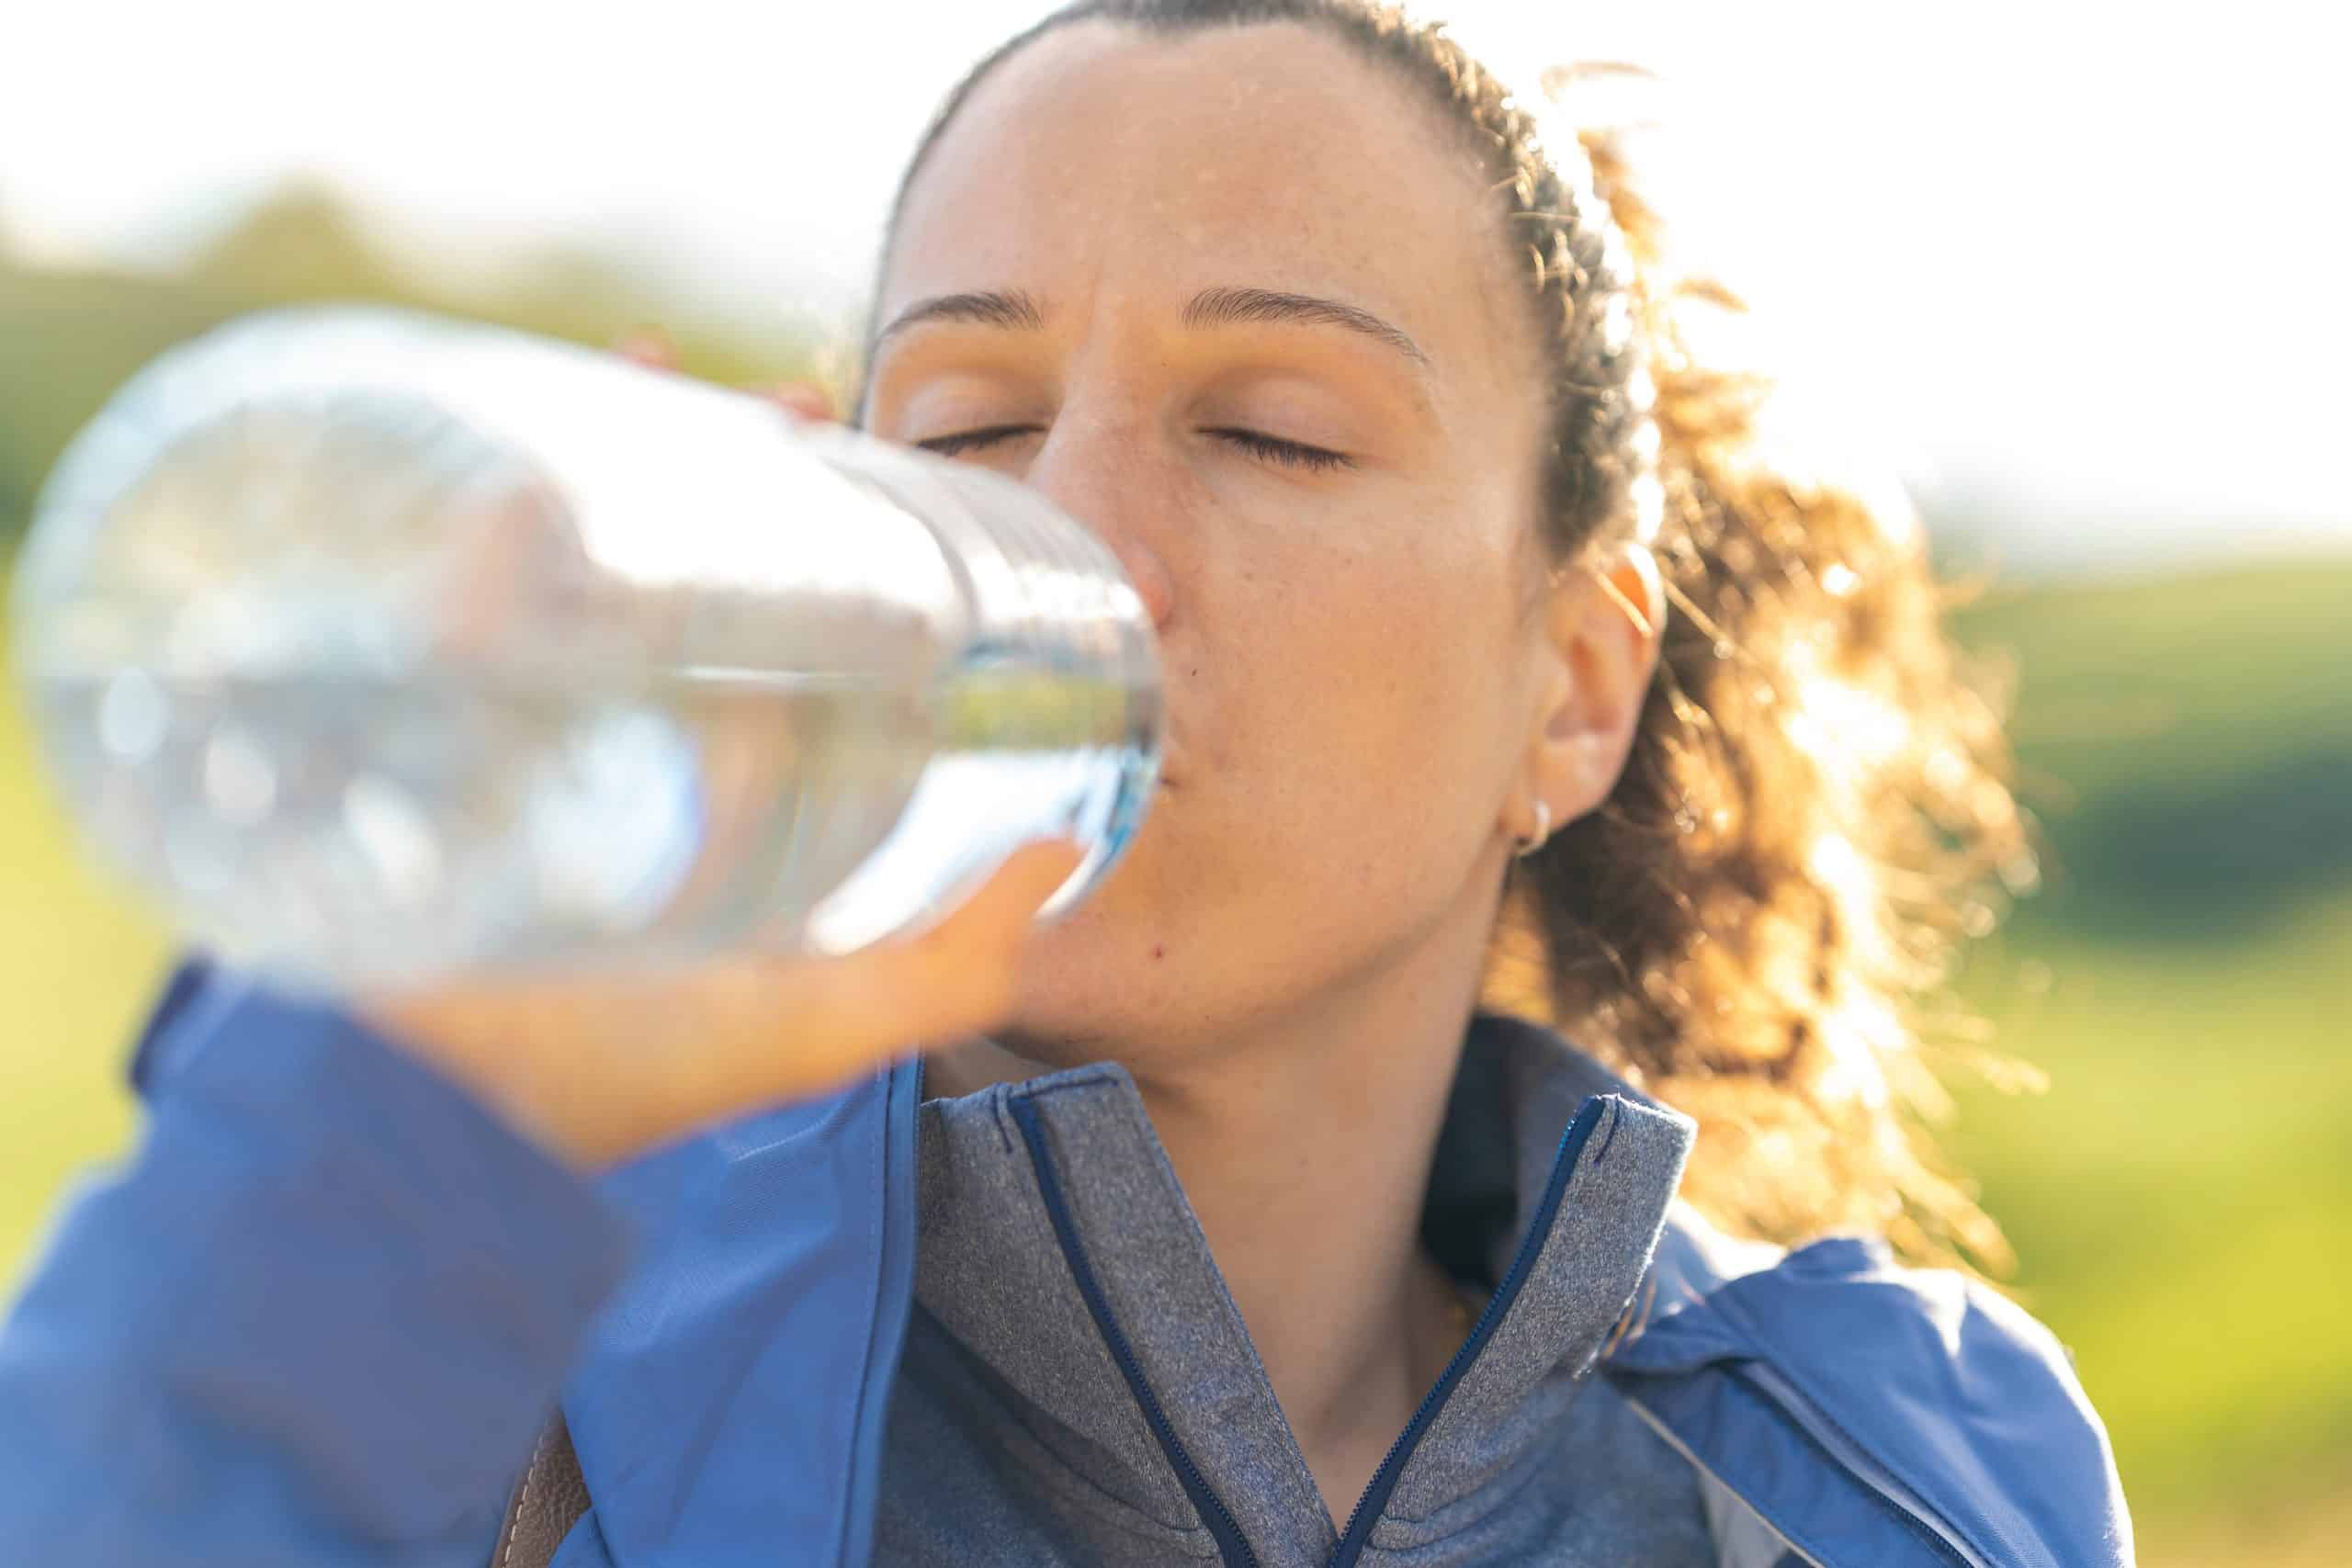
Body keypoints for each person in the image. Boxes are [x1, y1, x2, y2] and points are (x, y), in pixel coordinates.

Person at [0, 1, 2132, 1563]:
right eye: (963, 425)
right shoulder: (495, 1380)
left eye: (1274, 429)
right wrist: (425, 1107)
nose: (1086, 531)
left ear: (1568, 690)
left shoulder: (1893, 1485)